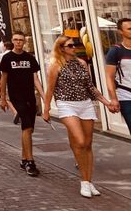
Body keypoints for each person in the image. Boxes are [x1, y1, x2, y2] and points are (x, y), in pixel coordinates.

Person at [43, 35, 116, 198]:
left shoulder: (82, 64)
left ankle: (88, 181)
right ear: (61, 48)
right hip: (66, 104)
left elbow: (91, 87)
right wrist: (46, 109)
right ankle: (84, 182)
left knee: (88, 144)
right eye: (70, 45)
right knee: (80, 141)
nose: (74, 47)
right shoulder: (55, 65)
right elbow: (50, 89)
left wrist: (107, 102)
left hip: (85, 104)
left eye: (74, 45)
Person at [0, 31, 44, 177]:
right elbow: (3, 79)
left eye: (21, 40)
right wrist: (3, 98)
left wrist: (44, 97)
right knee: (27, 126)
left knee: (28, 130)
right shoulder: (7, 58)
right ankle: (30, 162)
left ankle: (24, 159)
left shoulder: (29, 58)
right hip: (17, 98)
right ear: (12, 41)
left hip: (30, 97)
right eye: (16, 40)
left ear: (24, 42)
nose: (18, 42)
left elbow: (35, 78)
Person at [105, 17, 131, 131]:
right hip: (126, 96)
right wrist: (114, 99)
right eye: (129, 29)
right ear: (120, 31)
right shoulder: (116, 51)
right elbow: (109, 77)